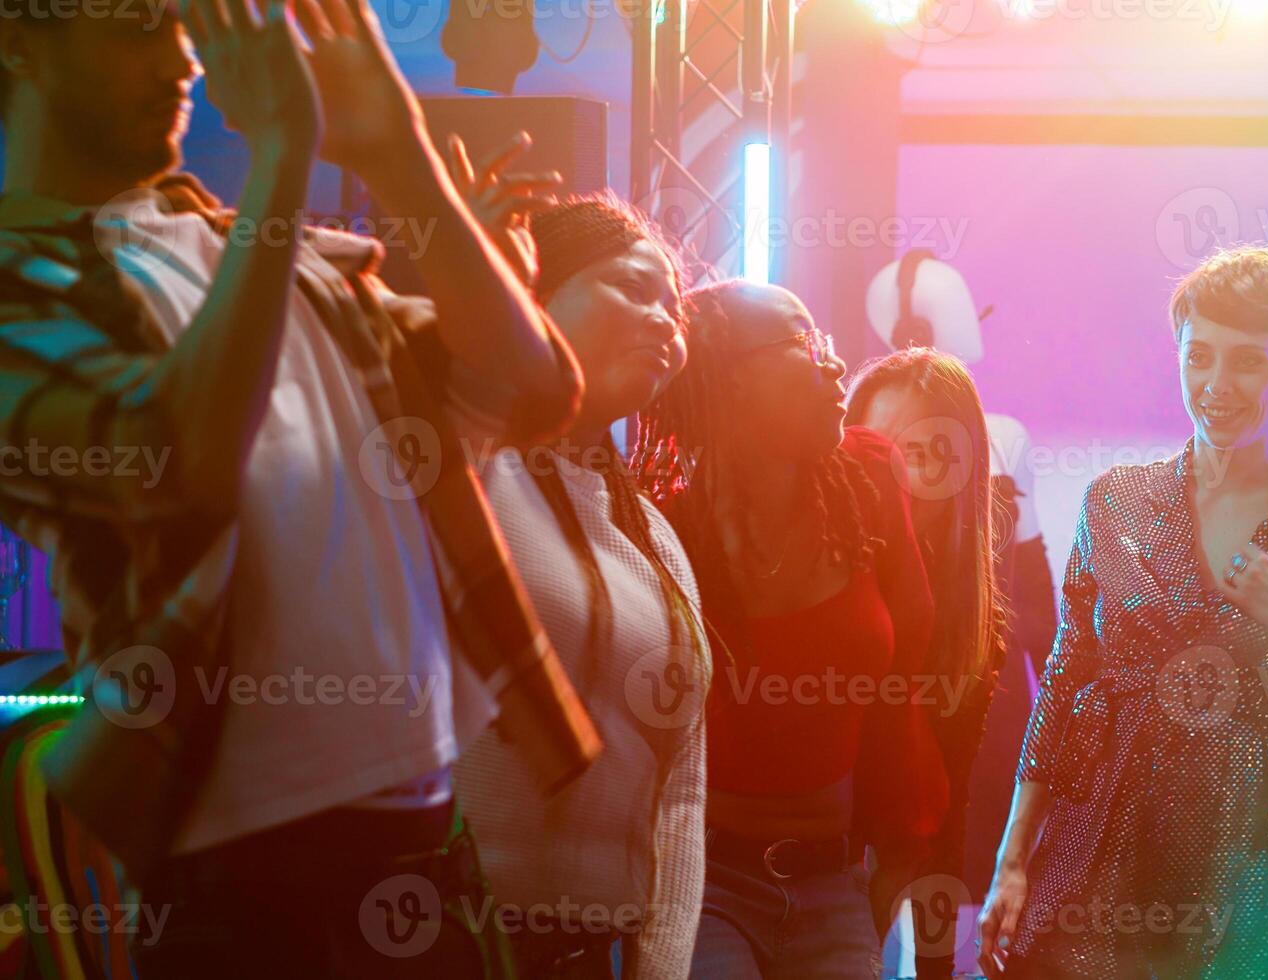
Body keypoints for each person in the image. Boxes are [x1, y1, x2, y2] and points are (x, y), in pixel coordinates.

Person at [0, 0, 592, 975]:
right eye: (138, 26)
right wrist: (282, 155)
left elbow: (533, 390)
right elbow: (171, 464)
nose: (185, 60)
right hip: (231, 883)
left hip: (423, 843)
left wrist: (398, 153)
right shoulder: (26, 279)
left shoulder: (280, 257)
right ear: (19, 41)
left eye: (184, 27)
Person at [977, 245, 1268, 979]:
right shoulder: (1114, 500)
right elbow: (1064, 691)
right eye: (1199, 357)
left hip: (1243, 868)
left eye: (1247, 362)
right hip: (1098, 838)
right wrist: (1011, 862)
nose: (1216, 385)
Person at [633, 280, 949, 977]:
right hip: (705, 878)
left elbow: (903, 691)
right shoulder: (664, 530)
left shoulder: (868, 481)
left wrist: (898, 851)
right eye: (804, 342)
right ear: (730, 379)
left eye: (827, 341)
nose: (834, 363)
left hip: (837, 880)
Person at [452, 192, 711, 978]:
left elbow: (682, 795)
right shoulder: (456, 468)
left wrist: (658, 970)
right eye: (634, 288)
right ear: (531, 289)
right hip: (443, 944)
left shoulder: (658, 541)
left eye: (676, 307)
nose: (667, 320)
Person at [846, 347, 1006, 979]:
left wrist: (938, 969)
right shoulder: (812, 568)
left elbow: (948, 812)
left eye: (923, 455)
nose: (900, 479)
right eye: (880, 450)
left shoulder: (965, 610)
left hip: (878, 888)